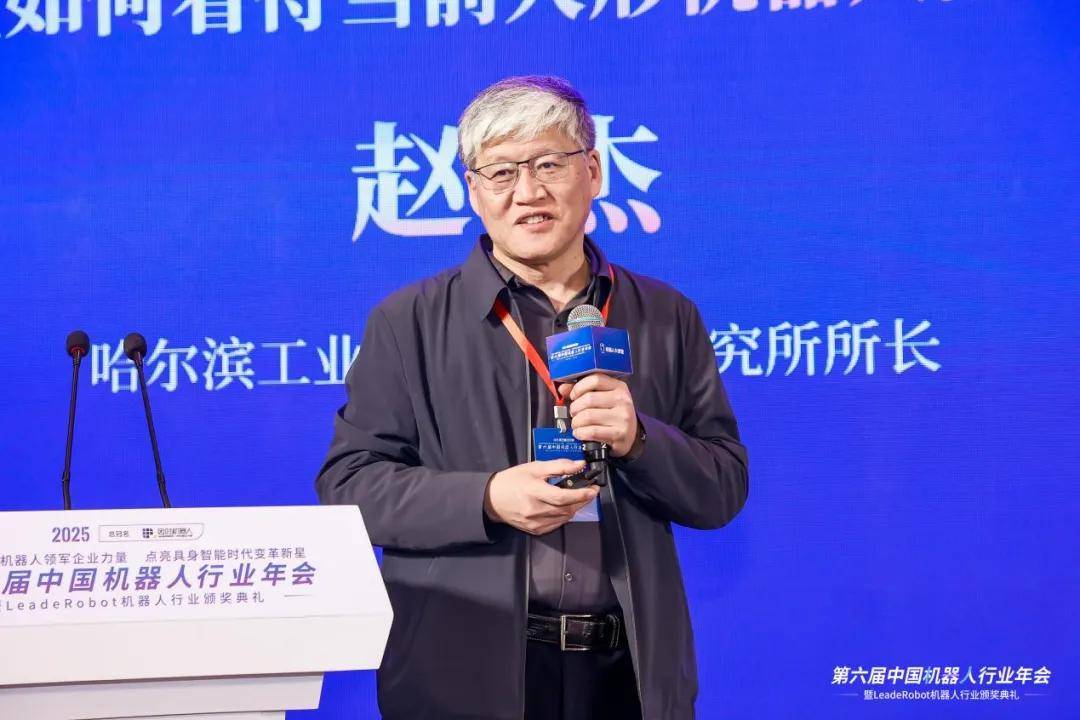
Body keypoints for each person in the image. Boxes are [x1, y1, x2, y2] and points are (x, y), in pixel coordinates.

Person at [316, 75, 749, 720]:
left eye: (549, 164)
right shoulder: (408, 323)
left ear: (593, 172)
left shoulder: (665, 315)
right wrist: (487, 498)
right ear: (473, 191)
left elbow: (722, 489)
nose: (528, 192)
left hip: (626, 677)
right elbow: (350, 487)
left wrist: (640, 441)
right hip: (464, 675)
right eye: (501, 172)